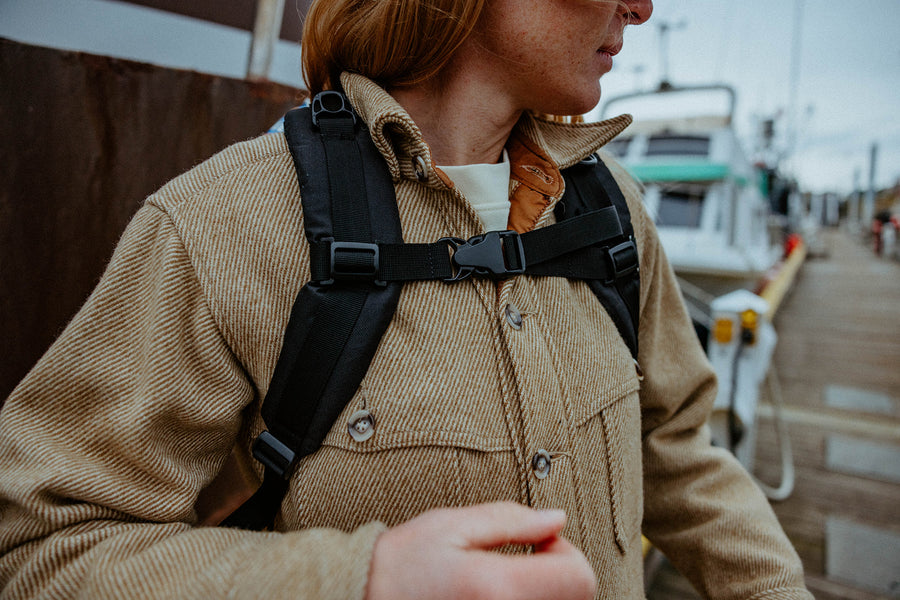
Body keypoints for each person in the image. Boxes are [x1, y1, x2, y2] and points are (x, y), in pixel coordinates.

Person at [0, 0, 813, 598]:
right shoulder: (222, 227)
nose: (642, 7)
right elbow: (40, 546)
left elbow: (676, 455)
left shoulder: (613, 212)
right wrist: (361, 578)